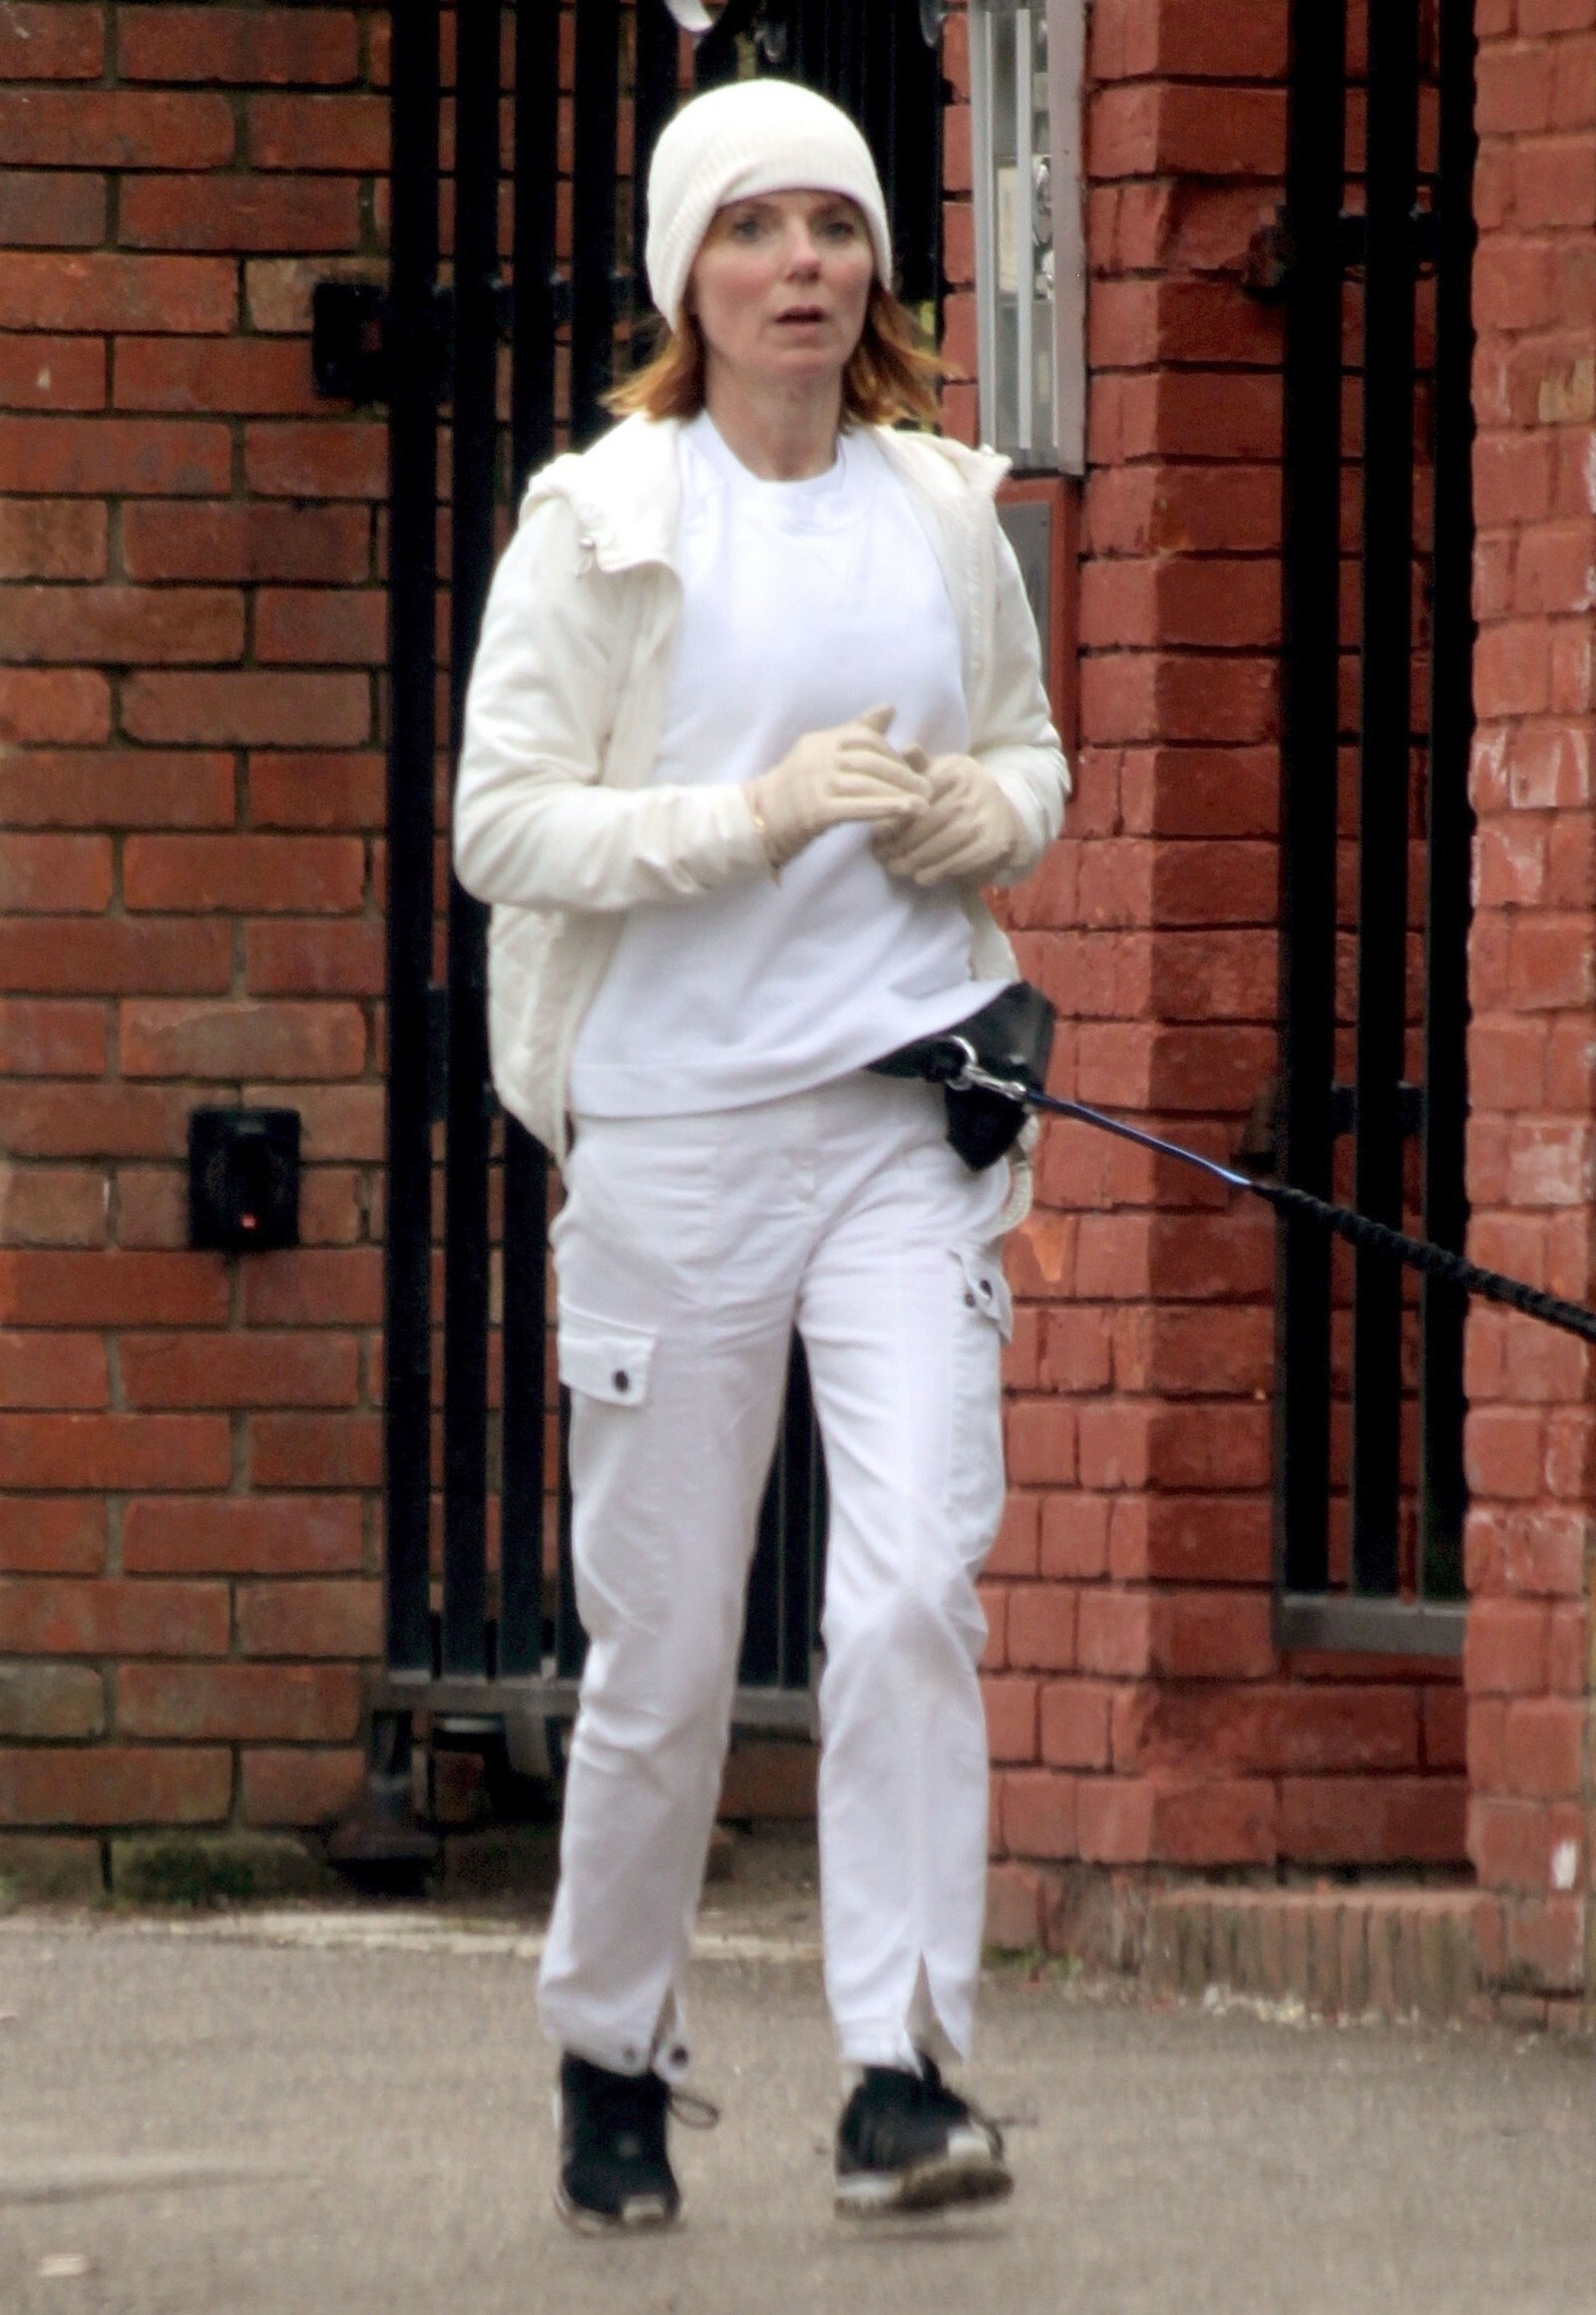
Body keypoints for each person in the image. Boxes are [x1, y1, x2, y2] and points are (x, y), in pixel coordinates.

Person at [454, 76, 1068, 2231]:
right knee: (668, 1649)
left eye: (832, 226)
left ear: (872, 265)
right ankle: (612, 2052)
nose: (798, 264)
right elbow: (502, 823)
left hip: (903, 1126)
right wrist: (758, 814)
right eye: (750, 228)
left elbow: (1029, 755)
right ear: (684, 276)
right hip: (675, 1135)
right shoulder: (602, 519)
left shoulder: (939, 505)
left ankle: (903, 2073)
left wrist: (976, 816)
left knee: (907, 1593)